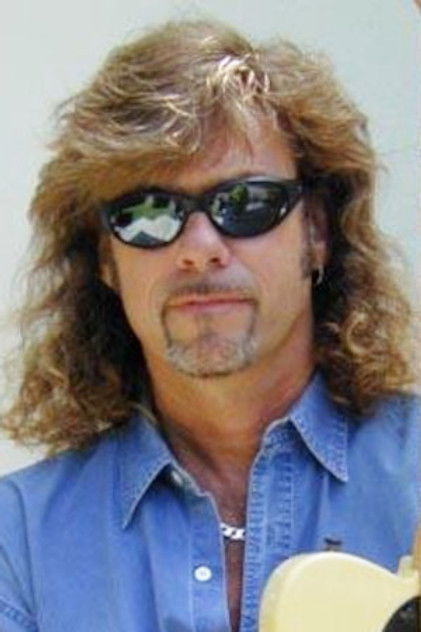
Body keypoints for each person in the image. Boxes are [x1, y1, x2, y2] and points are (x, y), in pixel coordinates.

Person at [0, 18, 419, 632]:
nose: (199, 249)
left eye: (245, 203)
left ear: (316, 233)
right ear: (106, 259)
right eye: (148, 213)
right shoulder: (18, 543)